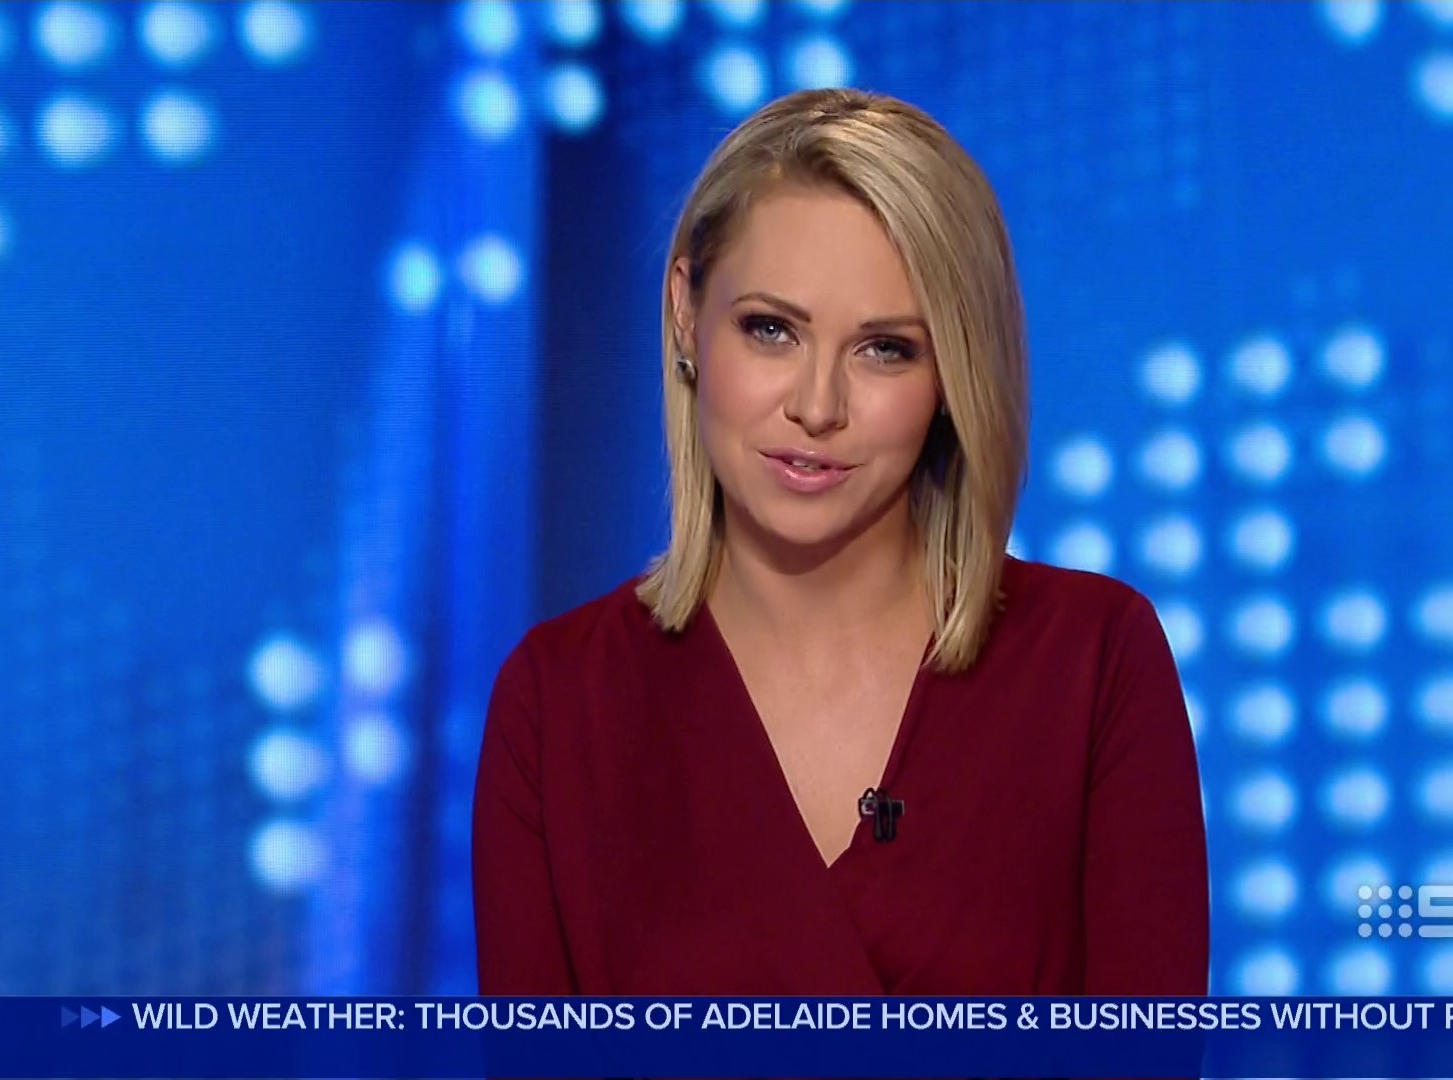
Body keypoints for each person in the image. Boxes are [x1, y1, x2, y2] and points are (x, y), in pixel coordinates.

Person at [472, 88, 1208, 997]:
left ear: (954, 374)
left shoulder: (1094, 662)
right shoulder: (556, 705)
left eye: (885, 349)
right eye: (771, 330)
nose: (818, 407)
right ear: (685, 313)